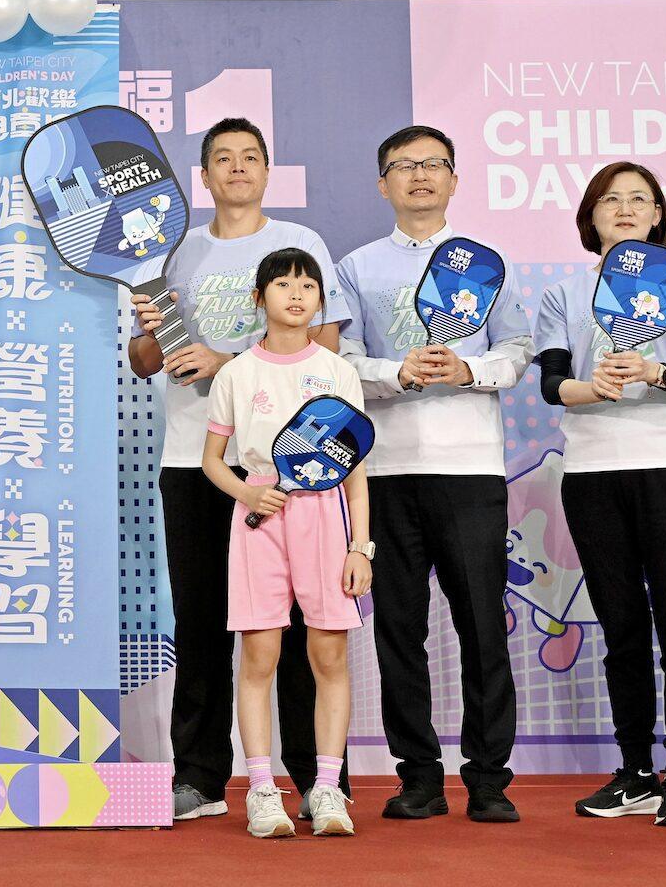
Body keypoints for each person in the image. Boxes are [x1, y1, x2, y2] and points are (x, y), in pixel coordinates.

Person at [128, 118, 350, 821]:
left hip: (289, 465)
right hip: (194, 457)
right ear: (204, 176)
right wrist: (153, 327)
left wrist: (228, 361)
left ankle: (315, 779)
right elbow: (143, 362)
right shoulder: (173, 254)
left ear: (266, 170)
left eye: (250, 157)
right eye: (222, 158)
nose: (237, 168)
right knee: (200, 619)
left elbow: (327, 343)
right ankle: (198, 776)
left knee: (298, 624)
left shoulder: (299, 243)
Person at [334, 126, 529, 823]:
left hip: (470, 469)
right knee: (398, 631)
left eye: (433, 164)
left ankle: (489, 778)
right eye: (403, 165)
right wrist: (398, 372)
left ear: (453, 179)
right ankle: (418, 776)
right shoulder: (356, 267)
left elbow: (517, 349)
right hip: (384, 471)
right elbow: (340, 362)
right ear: (382, 183)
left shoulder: (485, 262)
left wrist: (469, 368)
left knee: (483, 629)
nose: (419, 175)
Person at [534, 161, 666, 828]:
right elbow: (552, 385)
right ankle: (636, 771)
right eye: (610, 199)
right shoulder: (562, 294)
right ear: (591, 215)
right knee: (623, 632)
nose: (625, 208)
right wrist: (595, 388)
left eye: (640, 198)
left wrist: (653, 370)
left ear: (658, 215)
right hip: (592, 479)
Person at [201, 248, 372, 839]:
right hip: (260, 518)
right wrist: (247, 494)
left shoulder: (337, 371)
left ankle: (326, 788)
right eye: (283, 284)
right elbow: (212, 461)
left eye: (308, 286)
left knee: (329, 657)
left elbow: (354, 469)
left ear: (321, 300)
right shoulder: (235, 373)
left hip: (325, 518)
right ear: (259, 298)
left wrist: (361, 546)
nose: (297, 295)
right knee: (259, 657)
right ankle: (261, 790)